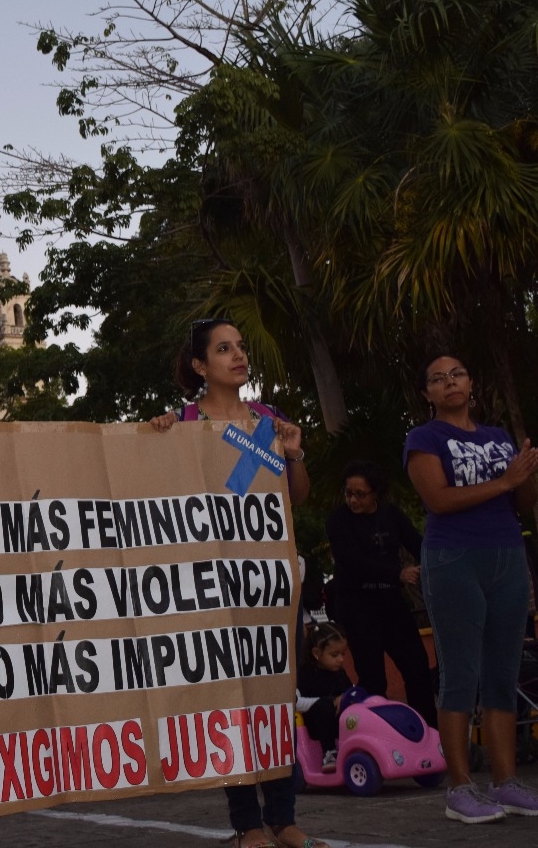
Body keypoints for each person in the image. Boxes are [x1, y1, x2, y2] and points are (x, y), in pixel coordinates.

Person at [150, 317, 324, 848]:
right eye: (224, 349)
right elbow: (156, 494)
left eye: (241, 347)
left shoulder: (271, 421)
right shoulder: (181, 422)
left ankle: (285, 818)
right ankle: (248, 823)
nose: (238, 356)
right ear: (201, 366)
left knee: (274, 692)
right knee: (228, 698)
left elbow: (296, 497)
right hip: (209, 583)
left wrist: (292, 455)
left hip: (267, 581)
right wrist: (154, 442)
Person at [404, 353, 538, 823]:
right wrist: (505, 479)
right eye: (438, 378)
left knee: (501, 673)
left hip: (507, 555)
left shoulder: (496, 436)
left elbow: (523, 502)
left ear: (471, 383)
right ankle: (460, 789)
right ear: (427, 393)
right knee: (460, 674)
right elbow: (439, 499)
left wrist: (525, 474)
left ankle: (506, 784)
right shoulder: (424, 438)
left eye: (457, 375)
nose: (450, 382)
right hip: (454, 558)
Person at [325, 461, 436, 727]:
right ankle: (379, 735)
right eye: (348, 493)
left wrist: (433, 563)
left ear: (376, 493)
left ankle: (428, 732)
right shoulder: (338, 521)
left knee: (417, 667)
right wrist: (396, 574)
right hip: (357, 604)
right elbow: (351, 561)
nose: (353, 500)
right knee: (373, 677)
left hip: (391, 603)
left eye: (360, 494)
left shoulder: (391, 515)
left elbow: (417, 542)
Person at [296, 622, 353, 772]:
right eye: (335, 655)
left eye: (343, 654)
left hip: (340, 721)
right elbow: (296, 702)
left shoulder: (339, 673)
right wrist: (329, 702)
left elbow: (351, 690)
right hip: (316, 725)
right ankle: (329, 753)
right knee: (324, 706)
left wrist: (347, 696)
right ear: (316, 653)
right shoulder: (305, 674)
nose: (341, 659)